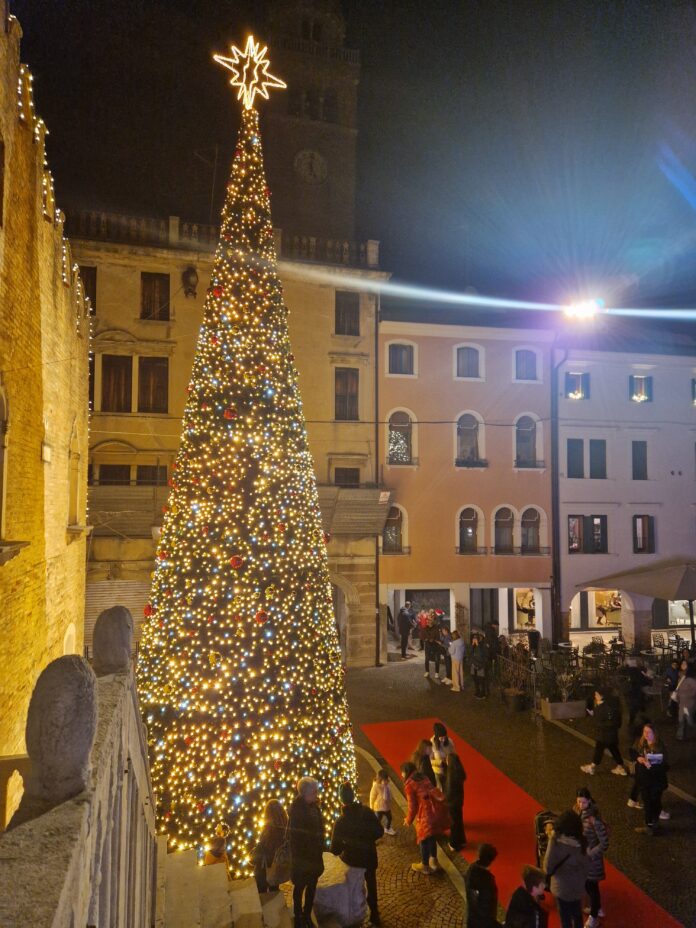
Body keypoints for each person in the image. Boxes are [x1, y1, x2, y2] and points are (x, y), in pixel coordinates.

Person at [330, 782, 384, 927]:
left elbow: (335, 849)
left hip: (352, 861)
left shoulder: (340, 822)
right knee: (371, 885)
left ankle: (356, 916)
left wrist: (345, 845)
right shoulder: (366, 811)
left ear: (341, 800)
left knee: (355, 888)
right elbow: (379, 831)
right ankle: (374, 913)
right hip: (369, 856)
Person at [289, 776, 325, 928]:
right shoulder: (296, 812)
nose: (317, 794)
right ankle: (298, 916)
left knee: (312, 886)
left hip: (314, 857)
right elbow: (296, 838)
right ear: (304, 793)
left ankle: (307, 913)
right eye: (314, 791)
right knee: (299, 888)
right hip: (302, 859)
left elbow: (319, 827)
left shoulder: (314, 807)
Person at [543, 811, 589, 928]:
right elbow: (587, 866)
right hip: (578, 887)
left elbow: (547, 868)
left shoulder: (556, 844)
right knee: (577, 915)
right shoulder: (582, 842)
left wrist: (551, 839)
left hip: (562, 889)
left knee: (565, 919)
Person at [573, 788, 608, 928]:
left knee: (592, 887)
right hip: (582, 856)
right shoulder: (576, 811)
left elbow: (604, 843)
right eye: (579, 801)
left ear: (589, 800)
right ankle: (596, 908)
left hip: (591, 860)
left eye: (584, 802)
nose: (581, 804)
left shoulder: (595, 819)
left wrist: (590, 853)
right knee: (588, 885)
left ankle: (594, 916)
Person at [401, 761, 444, 874]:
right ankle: (434, 861)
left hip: (424, 814)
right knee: (432, 836)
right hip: (434, 811)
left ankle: (424, 865)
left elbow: (412, 806)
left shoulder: (409, 784)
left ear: (406, 772)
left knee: (423, 838)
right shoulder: (424, 777)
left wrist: (408, 820)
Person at [631, 723, 669, 835]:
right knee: (648, 803)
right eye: (644, 731)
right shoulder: (641, 742)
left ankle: (651, 824)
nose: (646, 734)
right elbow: (632, 751)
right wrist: (638, 758)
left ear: (655, 734)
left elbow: (664, 766)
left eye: (649, 732)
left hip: (655, 782)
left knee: (654, 802)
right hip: (644, 781)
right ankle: (651, 824)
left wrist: (650, 766)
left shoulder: (659, 747)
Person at [580, 688, 627, 776]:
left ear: (602, 696)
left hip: (603, 734)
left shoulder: (602, 708)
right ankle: (620, 766)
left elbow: (599, 721)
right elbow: (617, 722)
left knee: (599, 749)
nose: (595, 696)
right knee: (613, 749)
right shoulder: (613, 706)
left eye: (597, 694)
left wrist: (593, 715)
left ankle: (592, 767)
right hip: (611, 734)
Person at [252, 799, 288, 892]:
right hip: (277, 864)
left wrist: (257, 850)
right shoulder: (286, 826)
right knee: (274, 887)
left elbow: (266, 848)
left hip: (265, 867)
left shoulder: (269, 830)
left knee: (261, 890)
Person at [464, 843, 501, 928]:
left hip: (472, 918)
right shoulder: (486, 880)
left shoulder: (471, 870)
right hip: (483, 922)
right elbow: (486, 905)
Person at [445, 751, 467, 852]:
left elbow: (449, 790)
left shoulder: (451, 774)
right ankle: (462, 840)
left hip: (452, 802)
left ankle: (453, 843)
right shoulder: (459, 772)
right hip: (459, 801)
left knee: (453, 823)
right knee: (459, 821)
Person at [369, 768, 395, 835]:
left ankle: (387, 828)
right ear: (380, 779)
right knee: (377, 820)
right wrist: (371, 806)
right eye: (385, 780)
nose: (386, 781)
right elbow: (372, 796)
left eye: (387, 779)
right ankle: (375, 830)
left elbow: (389, 795)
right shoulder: (376, 787)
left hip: (386, 807)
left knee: (389, 818)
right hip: (378, 808)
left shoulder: (387, 785)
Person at [431, 721, 455, 790]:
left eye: (445, 737)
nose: (443, 739)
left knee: (449, 789)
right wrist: (440, 762)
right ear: (436, 736)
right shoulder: (432, 744)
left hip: (448, 770)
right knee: (440, 790)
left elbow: (454, 754)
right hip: (438, 771)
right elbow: (430, 761)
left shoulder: (449, 741)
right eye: (441, 738)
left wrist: (450, 759)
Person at [676, 663, 696, 741]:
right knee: (681, 719)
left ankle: (691, 732)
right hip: (682, 704)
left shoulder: (691, 681)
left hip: (689, 704)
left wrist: (688, 696)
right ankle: (680, 736)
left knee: (688, 720)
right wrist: (678, 697)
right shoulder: (681, 680)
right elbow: (678, 690)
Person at [423, 612, 443, 681]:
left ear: (432, 621)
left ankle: (437, 672)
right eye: (427, 621)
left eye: (429, 620)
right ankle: (427, 672)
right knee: (427, 659)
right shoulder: (425, 628)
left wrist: (433, 639)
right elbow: (423, 635)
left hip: (435, 645)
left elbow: (437, 636)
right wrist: (427, 639)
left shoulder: (436, 628)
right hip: (428, 645)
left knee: (437, 659)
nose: (428, 622)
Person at [470, 632, 489, 699]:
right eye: (474, 638)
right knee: (475, 679)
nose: (475, 639)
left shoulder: (483, 645)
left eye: (476, 637)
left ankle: (483, 693)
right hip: (474, 664)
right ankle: (477, 691)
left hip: (480, 665)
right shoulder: (474, 645)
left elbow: (481, 655)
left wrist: (477, 645)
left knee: (481, 679)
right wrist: (472, 645)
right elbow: (470, 653)